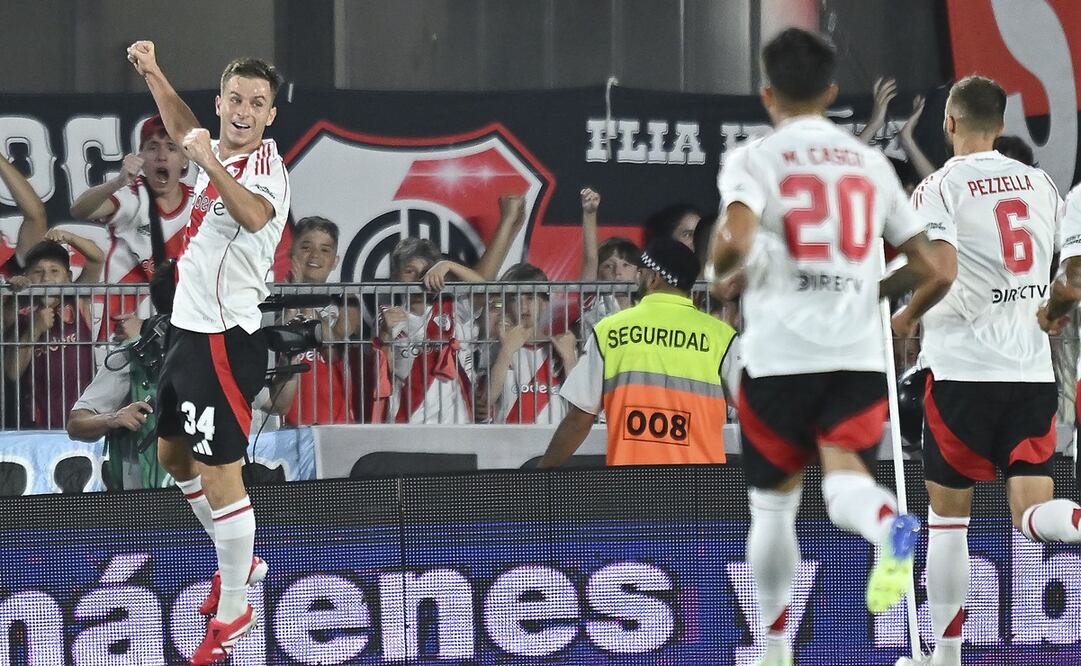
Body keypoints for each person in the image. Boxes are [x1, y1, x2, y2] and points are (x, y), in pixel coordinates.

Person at [709, 28, 953, 666]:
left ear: (767, 94)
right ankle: (887, 525)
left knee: (773, 507)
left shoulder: (755, 158)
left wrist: (718, 270)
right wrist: (876, 288)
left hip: (780, 358)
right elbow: (932, 265)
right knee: (845, 479)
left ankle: (774, 649)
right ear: (830, 91)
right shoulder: (870, 165)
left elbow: (734, 240)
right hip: (857, 356)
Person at [893, 76, 1078, 666]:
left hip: (961, 374)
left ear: (949, 123)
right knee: (1030, 516)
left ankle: (946, 657)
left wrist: (903, 314)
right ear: (1001, 125)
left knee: (949, 524)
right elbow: (1065, 271)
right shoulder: (1042, 184)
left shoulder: (939, 187)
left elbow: (940, 269)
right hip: (1031, 373)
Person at [126, 40, 288, 662]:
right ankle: (240, 559)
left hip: (226, 339)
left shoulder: (267, 167)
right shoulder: (214, 144)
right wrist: (153, 71)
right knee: (173, 457)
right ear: (221, 103)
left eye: (257, 103)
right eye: (235, 99)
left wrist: (209, 164)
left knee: (221, 475)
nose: (244, 110)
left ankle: (235, 609)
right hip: (186, 333)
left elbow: (252, 216)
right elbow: (184, 128)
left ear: (270, 114)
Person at [539, 238, 739, 467]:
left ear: (653, 278)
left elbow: (579, 419)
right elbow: (755, 409)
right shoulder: (721, 337)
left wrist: (543, 472)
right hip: (701, 482)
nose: (636, 278)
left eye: (640, 273)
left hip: (633, 481)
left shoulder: (610, 331)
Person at [69, 114, 193, 341]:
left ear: (185, 159)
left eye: (171, 148)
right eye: (152, 147)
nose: (162, 156)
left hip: (179, 329)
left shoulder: (199, 204)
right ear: (141, 157)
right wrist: (118, 181)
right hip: (122, 330)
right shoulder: (133, 196)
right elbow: (80, 210)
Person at [370, 237, 481, 423]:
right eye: (409, 271)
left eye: (426, 272)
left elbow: (487, 290)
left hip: (455, 422)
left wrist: (448, 265)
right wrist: (385, 333)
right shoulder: (387, 316)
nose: (418, 279)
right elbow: (383, 372)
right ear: (395, 276)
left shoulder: (453, 307)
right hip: (408, 421)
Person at [4, 231, 103, 429]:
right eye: (37, 272)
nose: (46, 278)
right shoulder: (19, 312)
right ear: (26, 277)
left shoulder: (78, 300)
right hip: (37, 426)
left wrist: (68, 237)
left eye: (54, 270)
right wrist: (35, 328)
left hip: (83, 420)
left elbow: (96, 258)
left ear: (69, 277)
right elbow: (12, 372)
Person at [278, 216, 357, 425]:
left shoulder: (346, 301)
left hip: (334, 421)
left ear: (335, 261)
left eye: (325, 250)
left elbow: (333, 352)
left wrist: (304, 300)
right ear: (291, 252)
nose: (315, 255)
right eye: (306, 247)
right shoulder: (273, 299)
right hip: (286, 421)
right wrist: (293, 297)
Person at [486, 263, 577, 424]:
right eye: (515, 299)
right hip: (508, 438)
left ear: (545, 303)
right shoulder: (497, 348)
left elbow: (580, 402)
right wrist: (506, 351)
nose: (523, 306)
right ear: (506, 306)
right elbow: (487, 399)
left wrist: (569, 360)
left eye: (530, 297)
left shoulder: (562, 348)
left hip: (553, 437)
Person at [577, 187, 639, 331]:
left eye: (626, 265)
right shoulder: (593, 302)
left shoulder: (645, 306)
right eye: (608, 266)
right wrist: (590, 213)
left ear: (639, 273)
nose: (618, 272)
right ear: (598, 274)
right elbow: (591, 259)